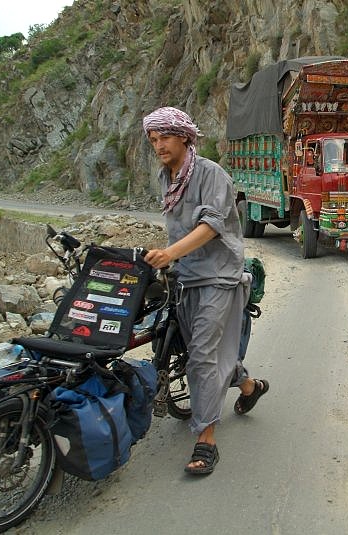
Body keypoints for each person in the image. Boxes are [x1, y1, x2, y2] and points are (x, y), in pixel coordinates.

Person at [141, 106, 269, 476]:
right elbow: (176, 229)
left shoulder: (212, 174)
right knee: (198, 347)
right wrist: (166, 260)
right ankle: (248, 386)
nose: (158, 144)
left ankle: (206, 439)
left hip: (219, 277)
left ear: (184, 136)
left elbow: (210, 227)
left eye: (164, 136)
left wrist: (169, 254)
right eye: (152, 139)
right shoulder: (165, 177)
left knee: (201, 355)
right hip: (186, 275)